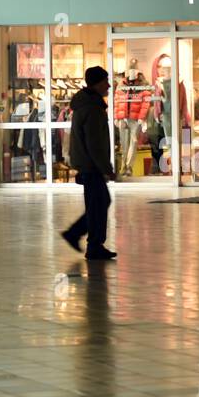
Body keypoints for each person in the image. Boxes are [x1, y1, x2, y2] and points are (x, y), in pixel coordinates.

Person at [62, 66, 116, 260]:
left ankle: (90, 242)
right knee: (100, 203)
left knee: (97, 203)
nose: (108, 85)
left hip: (87, 164)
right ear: (96, 83)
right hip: (91, 165)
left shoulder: (87, 104)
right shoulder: (92, 108)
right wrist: (106, 169)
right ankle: (86, 241)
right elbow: (95, 143)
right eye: (105, 81)